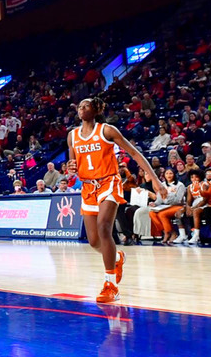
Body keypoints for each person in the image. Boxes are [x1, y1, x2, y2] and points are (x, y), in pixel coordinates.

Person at [68, 97, 165, 303]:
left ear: (95, 110)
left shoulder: (107, 130)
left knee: (104, 227)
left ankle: (111, 285)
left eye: (86, 105)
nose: (81, 108)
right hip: (88, 187)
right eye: (79, 106)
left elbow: (134, 153)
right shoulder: (72, 136)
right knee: (94, 241)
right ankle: (117, 257)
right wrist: (71, 167)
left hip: (109, 182)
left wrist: (155, 180)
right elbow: (72, 162)